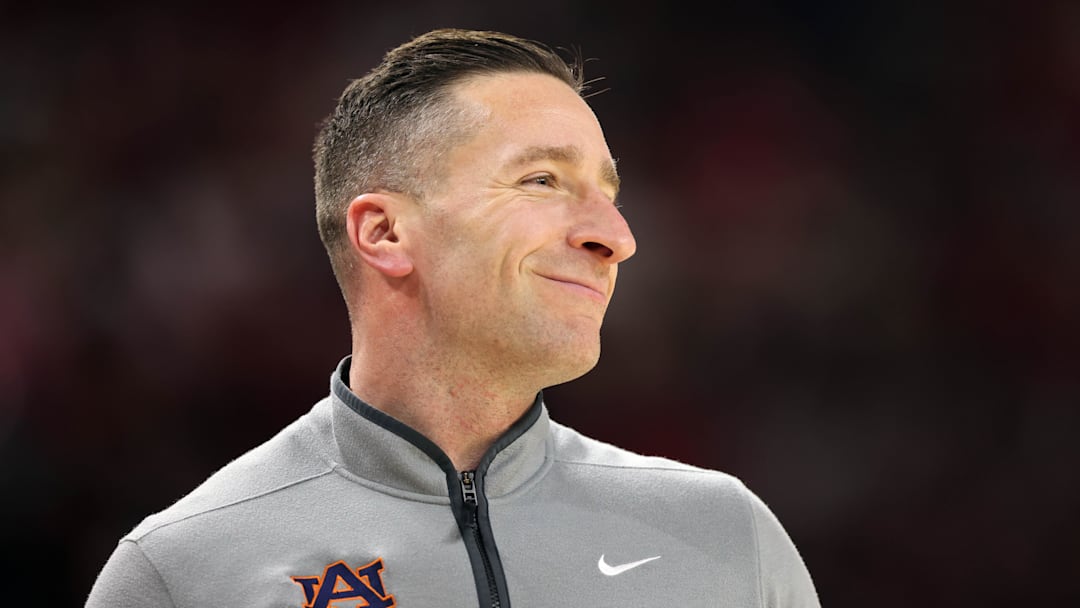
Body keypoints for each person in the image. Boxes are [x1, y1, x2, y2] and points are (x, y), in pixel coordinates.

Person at [86, 28, 820, 607]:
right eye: (542, 180)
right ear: (385, 233)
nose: (616, 237)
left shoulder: (729, 539)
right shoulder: (183, 573)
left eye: (608, 192)